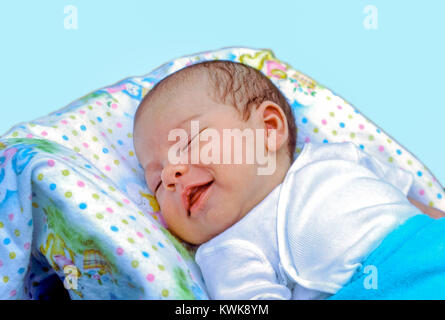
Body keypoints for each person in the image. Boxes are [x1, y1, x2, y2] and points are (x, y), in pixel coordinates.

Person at [133, 60, 445, 299]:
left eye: (190, 142)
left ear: (268, 129)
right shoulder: (228, 250)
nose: (171, 175)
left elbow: (412, 202)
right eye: (156, 183)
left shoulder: (337, 156)